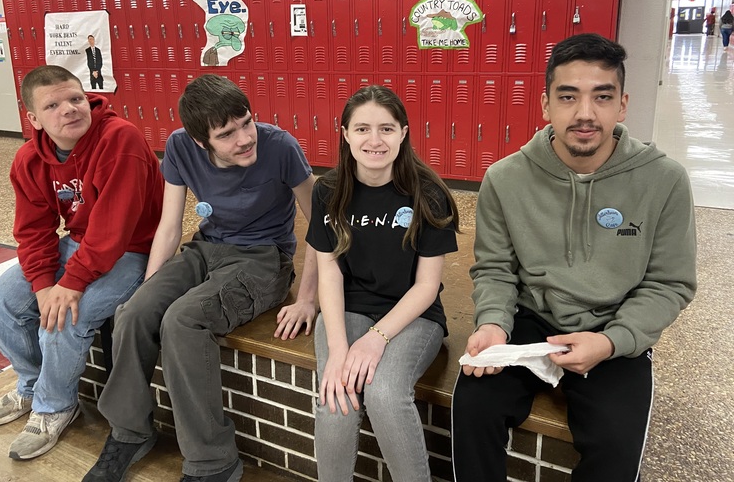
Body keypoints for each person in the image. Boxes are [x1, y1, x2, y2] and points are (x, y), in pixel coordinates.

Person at [451, 33, 697, 482]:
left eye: (601, 97)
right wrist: (491, 323)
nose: (585, 113)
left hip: (614, 324)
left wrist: (612, 341)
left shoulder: (664, 180)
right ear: (545, 104)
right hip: (529, 320)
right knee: (471, 407)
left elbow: (669, 284)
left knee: (615, 445)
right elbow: (495, 269)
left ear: (622, 105)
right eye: (568, 97)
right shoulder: (505, 178)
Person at [84, 74, 318, 482]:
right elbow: (170, 225)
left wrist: (308, 299)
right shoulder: (178, 146)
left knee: (183, 321)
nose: (245, 138)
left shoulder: (279, 146)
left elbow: (321, 225)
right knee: (135, 311)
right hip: (206, 248)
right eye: (227, 134)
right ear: (199, 140)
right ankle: (130, 431)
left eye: (246, 123)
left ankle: (213, 462)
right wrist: (151, 286)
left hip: (264, 258)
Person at [0, 65, 164, 461]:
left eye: (76, 98)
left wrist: (71, 284)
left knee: (65, 319)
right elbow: (33, 230)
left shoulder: (120, 139)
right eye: (53, 105)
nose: (69, 109)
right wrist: (44, 285)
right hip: (79, 244)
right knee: (0, 300)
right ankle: (31, 386)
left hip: (134, 250)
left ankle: (54, 407)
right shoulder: (30, 159)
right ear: (33, 118)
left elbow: (114, 229)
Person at [307, 86, 459, 482]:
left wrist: (376, 338)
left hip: (413, 314)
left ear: (404, 133)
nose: (374, 141)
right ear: (344, 133)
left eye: (387, 129)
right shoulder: (327, 190)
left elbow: (427, 286)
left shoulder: (427, 195)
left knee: (386, 394)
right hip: (348, 308)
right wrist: (339, 348)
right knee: (335, 392)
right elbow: (330, 272)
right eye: (362, 129)